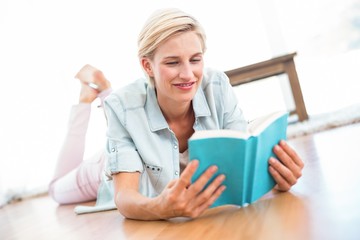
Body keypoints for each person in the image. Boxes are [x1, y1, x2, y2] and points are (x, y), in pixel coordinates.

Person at [103, 8, 304, 221]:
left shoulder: (216, 85)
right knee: (63, 189)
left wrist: (276, 177)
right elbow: (124, 197)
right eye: (172, 62)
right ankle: (93, 92)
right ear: (147, 66)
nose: (188, 74)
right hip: (104, 170)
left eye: (195, 59)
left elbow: (242, 162)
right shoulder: (121, 107)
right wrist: (160, 207)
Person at [49, 64, 112, 205]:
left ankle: (102, 91)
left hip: (107, 161)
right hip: (107, 166)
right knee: (55, 189)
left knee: (60, 182)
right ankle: (97, 94)